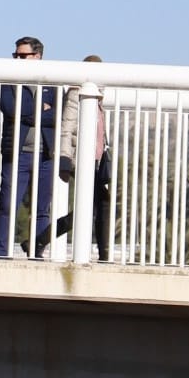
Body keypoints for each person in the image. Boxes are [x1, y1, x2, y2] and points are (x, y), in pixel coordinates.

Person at [0, 36, 58, 258]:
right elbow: (10, 107)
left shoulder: (54, 79)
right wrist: (41, 110)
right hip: (17, 153)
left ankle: (37, 251)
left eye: (23, 56)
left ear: (38, 56)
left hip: (46, 154)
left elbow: (58, 114)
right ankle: (2, 253)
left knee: (42, 209)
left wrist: (36, 112)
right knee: (7, 205)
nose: (18, 59)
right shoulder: (9, 79)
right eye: (16, 55)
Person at [54, 54, 111, 260]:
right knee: (96, 205)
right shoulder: (76, 93)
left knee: (95, 205)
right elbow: (66, 128)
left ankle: (39, 239)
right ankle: (104, 255)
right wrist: (64, 157)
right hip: (80, 159)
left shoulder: (100, 95)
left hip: (96, 160)